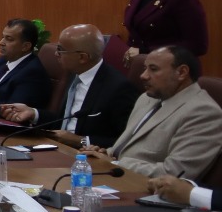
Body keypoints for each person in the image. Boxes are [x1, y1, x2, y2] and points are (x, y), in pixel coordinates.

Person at [90, 47, 222, 179]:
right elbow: (125, 148)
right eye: (145, 68)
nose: (143, 76)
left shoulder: (204, 113)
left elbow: (175, 173)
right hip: (115, 177)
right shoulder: (147, 98)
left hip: (143, 187)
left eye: (153, 69)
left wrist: (115, 163)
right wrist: (103, 154)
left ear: (181, 72)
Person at [0, 24, 139, 147]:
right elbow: (64, 122)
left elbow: (127, 141)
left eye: (61, 50)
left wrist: (81, 141)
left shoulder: (118, 88)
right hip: (57, 147)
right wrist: (33, 113)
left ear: (82, 57)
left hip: (87, 156)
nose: (56, 54)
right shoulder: (74, 74)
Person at [0, 19, 53, 112]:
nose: (1, 42)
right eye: (3, 37)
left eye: (9, 39)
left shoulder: (32, 73)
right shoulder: (1, 61)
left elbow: (11, 110)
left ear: (25, 46)